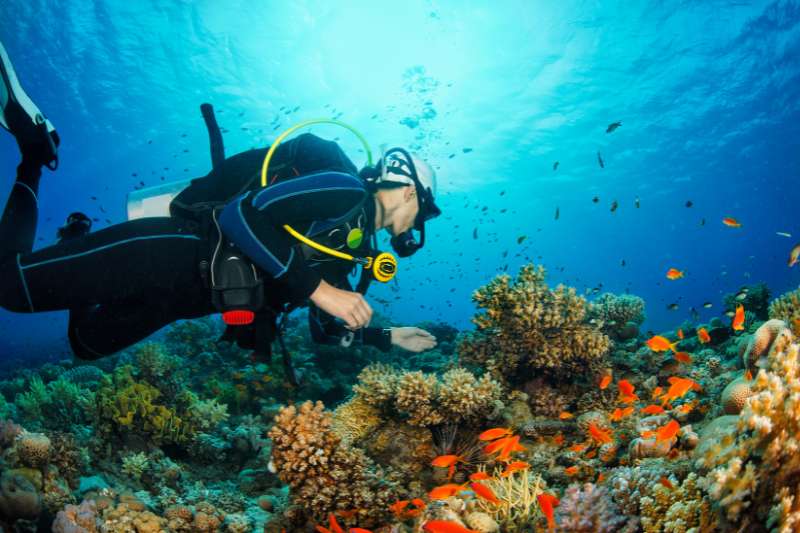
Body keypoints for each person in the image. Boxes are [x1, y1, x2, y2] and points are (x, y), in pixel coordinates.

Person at [0, 41, 440, 378]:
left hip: (180, 301)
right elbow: (242, 215)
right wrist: (321, 291)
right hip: (173, 253)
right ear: (407, 192)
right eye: (424, 209)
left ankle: (74, 239)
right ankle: (35, 154)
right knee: (9, 287)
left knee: (86, 344)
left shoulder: (353, 251)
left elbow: (325, 331)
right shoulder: (344, 190)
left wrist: (384, 336)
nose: (419, 224)